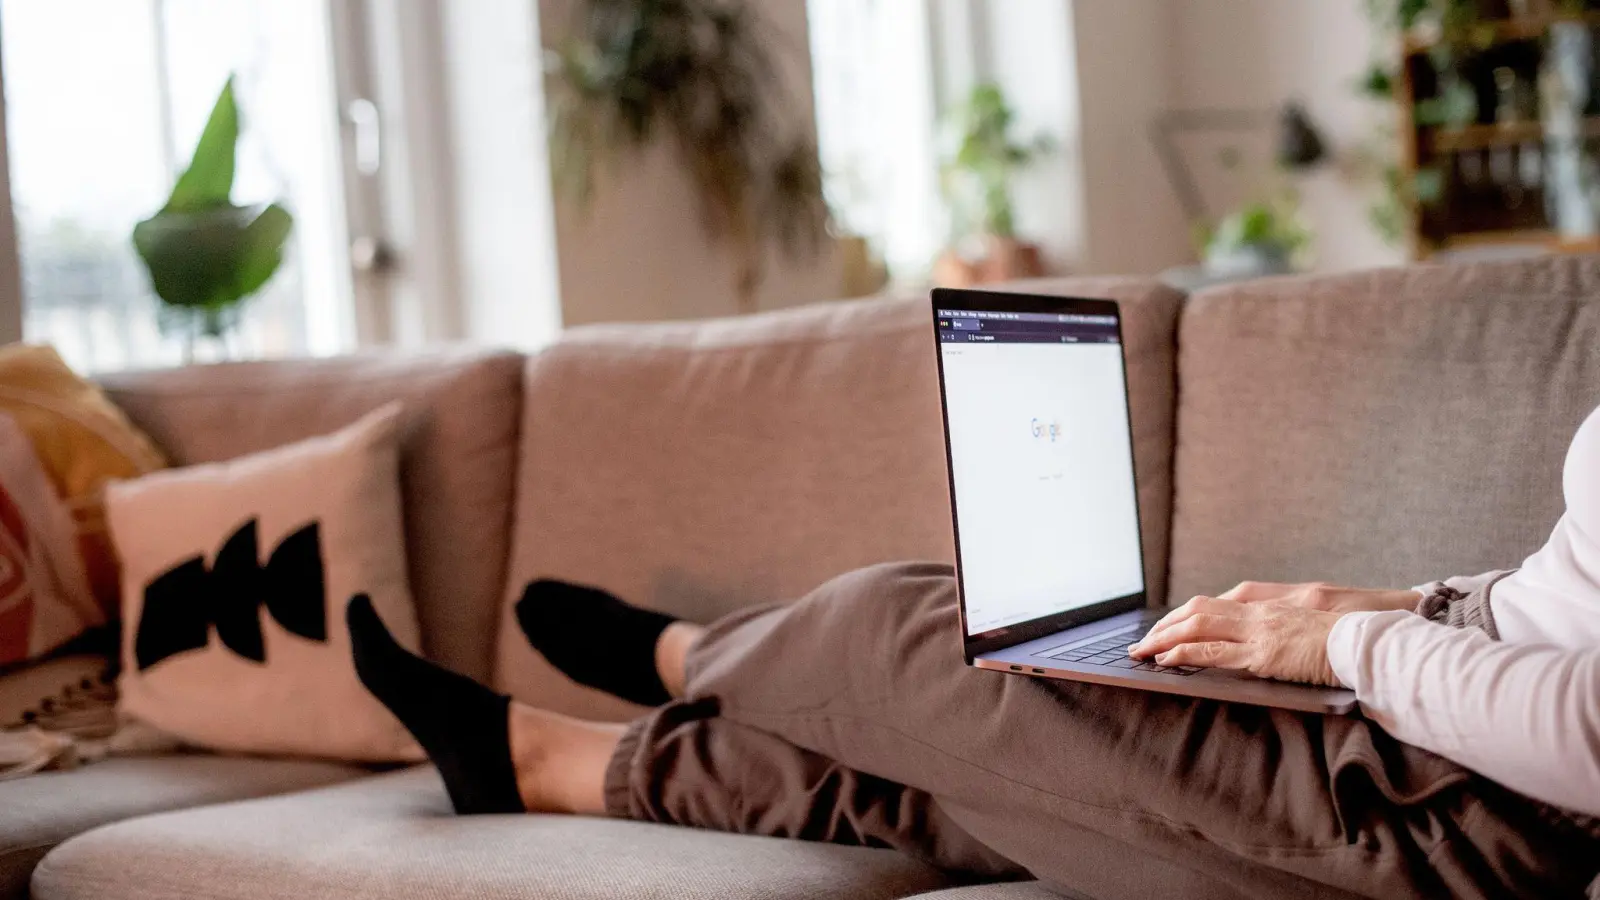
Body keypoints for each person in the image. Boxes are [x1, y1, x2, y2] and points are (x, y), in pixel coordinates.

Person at [345, 403, 1600, 899]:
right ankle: (540, 762)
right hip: (1447, 707)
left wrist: (1350, 641)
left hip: (1482, 806)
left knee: (911, 628)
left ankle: (684, 657)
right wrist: (1423, 598)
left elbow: (1588, 741)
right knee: (950, 789)